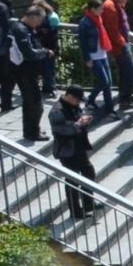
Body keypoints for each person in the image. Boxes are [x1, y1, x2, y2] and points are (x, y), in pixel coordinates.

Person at [49, 86, 98, 219]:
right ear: (70, 96)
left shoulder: (73, 106)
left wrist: (85, 120)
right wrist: (78, 124)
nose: (79, 103)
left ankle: (88, 203)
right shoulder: (57, 111)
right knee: (72, 180)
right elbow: (62, 130)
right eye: (78, 100)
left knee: (88, 173)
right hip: (67, 150)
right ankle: (75, 211)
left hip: (79, 146)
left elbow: (79, 118)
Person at [10, 6, 50, 142]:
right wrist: (44, 52)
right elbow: (29, 53)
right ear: (33, 16)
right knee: (35, 103)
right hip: (24, 71)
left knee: (30, 102)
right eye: (39, 20)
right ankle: (32, 132)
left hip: (27, 70)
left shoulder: (22, 28)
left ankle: (32, 130)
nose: (39, 24)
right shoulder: (20, 30)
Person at [76, 0, 117, 116]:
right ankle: (90, 99)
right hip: (94, 55)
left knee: (108, 83)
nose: (102, 11)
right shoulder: (84, 23)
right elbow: (83, 43)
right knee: (104, 81)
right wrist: (87, 58)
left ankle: (110, 109)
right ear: (93, 9)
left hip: (102, 53)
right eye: (100, 8)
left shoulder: (98, 19)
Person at [100, 0, 133, 107]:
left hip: (121, 43)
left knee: (125, 71)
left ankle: (125, 97)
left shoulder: (117, 4)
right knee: (130, 70)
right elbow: (112, 30)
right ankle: (125, 99)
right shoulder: (110, 7)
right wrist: (122, 43)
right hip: (119, 46)